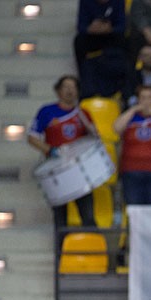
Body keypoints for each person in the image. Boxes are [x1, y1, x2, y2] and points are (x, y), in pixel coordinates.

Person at [28, 75, 98, 238]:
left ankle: (94, 249)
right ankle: (61, 251)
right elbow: (32, 138)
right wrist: (50, 150)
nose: (69, 91)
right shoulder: (47, 111)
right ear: (58, 90)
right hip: (57, 171)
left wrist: (87, 124)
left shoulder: (83, 113)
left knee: (88, 216)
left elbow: (95, 139)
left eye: (73, 87)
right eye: (66, 87)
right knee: (60, 219)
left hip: (80, 171)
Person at [113, 84, 151, 205]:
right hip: (131, 172)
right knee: (134, 210)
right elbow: (116, 128)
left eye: (150, 97)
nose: (147, 101)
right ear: (138, 100)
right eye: (143, 98)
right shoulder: (130, 118)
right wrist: (133, 109)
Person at [74, 0, 128, 98]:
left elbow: (122, 26)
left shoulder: (119, 1)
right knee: (79, 41)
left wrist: (109, 28)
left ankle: (124, 82)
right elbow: (81, 26)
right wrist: (91, 28)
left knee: (124, 40)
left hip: (111, 35)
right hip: (92, 36)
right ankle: (83, 79)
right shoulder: (85, 2)